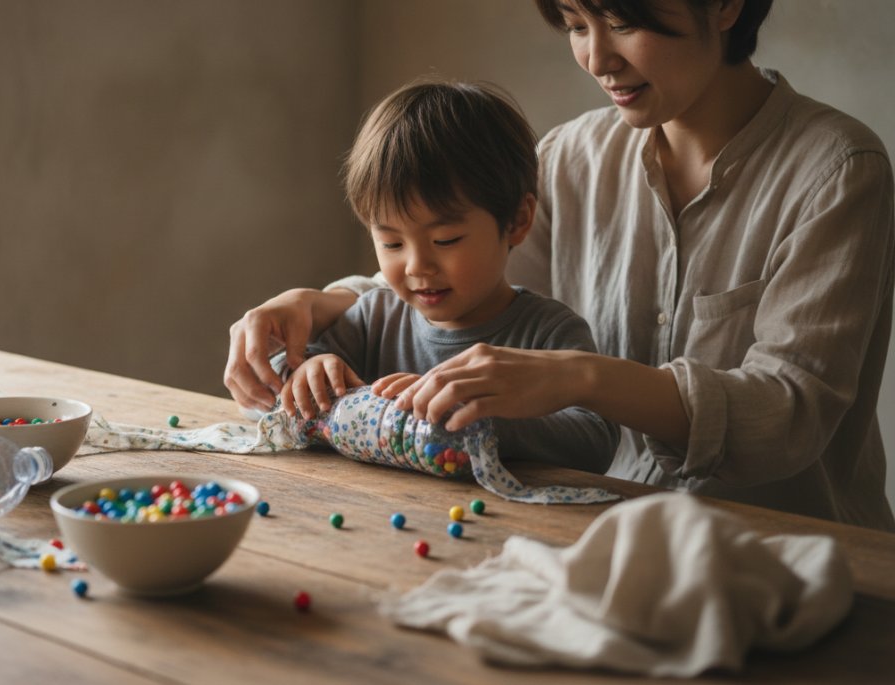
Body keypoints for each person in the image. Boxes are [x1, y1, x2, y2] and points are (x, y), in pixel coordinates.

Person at [223, 0, 895, 530]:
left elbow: (788, 415)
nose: (597, 57)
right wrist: (317, 302)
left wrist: (581, 377)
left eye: (624, 21)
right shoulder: (572, 157)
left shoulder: (837, 171)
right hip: (592, 530)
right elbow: (459, 280)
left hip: (793, 550)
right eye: (576, 22)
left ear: (725, 5)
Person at [274, 79, 619, 473]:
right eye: (391, 244)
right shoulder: (373, 320)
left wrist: (485, 423)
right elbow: (278, 400)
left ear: (517, 221)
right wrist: (309, 371)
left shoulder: (548, 333)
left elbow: (597, 441)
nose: (417, 266)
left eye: (446, 239)